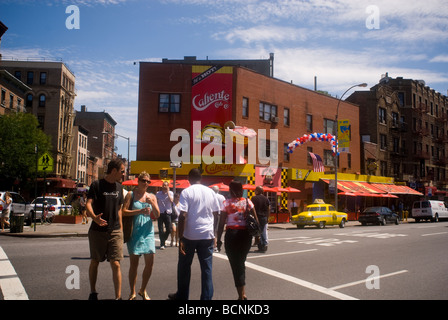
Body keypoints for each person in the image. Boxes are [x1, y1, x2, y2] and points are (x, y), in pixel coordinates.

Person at [168, 168, 220, 300]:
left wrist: (181, 238)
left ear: (189, 178)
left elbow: (183, 215)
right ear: (200, 178)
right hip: (207, 235)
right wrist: (214, 233)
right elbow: (216, 214)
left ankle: (182, 296)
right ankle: (206, 298)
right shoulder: (210, 192)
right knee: (207, 269)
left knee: (184, 267)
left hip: (189, 236)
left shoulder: (187, 192)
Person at [86, 159, 125, 300]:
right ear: (114, 171)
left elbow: (119, 209)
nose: (123, 174)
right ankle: (93, 291)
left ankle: (118, 297)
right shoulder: (96, 185)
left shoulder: (120, 188)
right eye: (122, 171)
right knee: (95, 261)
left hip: (115, 231)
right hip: (97, 231)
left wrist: (120, 228)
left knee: (116, 263)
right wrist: (94, 217)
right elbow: (88, 204)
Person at [217, 180, 259, 300]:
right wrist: (257, 236)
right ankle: (242, 292)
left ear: (231, 191)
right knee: (240, 262)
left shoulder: (226, 203)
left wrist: (219, 240)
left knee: (236, 265)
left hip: (232, 235)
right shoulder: (247, 202)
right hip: (246, 235)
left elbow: (221, 224)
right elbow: (256, 221)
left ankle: (241, 296)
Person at [122, 171, 160, 300]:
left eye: (148, 181)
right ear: (138, 181)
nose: (146, 183)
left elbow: (158, 214)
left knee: (150, 262)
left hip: (148, 232)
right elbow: (124, 212)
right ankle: (132, 292)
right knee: (134, 264)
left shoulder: (152, 196)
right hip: (135, 232)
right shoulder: (130, 195)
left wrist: (152, 203)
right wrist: (140, 211)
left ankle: (143, 290)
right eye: (143, 180)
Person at [251, 186, 270, 252]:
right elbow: (268, 209)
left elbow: (252, 208)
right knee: (263, 231)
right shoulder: (266, 199)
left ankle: (262, 245)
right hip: (264, 217)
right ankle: (263, 245)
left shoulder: (254, 198)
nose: (254, 191)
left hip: (257, 217)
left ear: (258, 191)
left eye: (255, 190)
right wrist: (267, 217)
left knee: (258, 232)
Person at [156, 181, 173, 250]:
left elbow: (172, 201)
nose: (165, 187)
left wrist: (168, 192)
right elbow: (156, 202)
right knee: (160, 229)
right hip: (160, 212)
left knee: (169, 229)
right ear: (162, 186)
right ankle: (162, 244)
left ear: (168, 187)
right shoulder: (158, 193)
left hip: (168, 213)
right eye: (164, 185)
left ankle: (163, 239)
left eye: (166, 185)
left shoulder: (171, 193)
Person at [212, 185, 226, 252]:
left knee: (213, 230)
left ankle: (214, 245)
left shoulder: (212, 196)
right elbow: (225, 205)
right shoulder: (222, 197)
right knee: (219, 230)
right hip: (221, 214)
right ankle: (217, 244)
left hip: (213, 214)